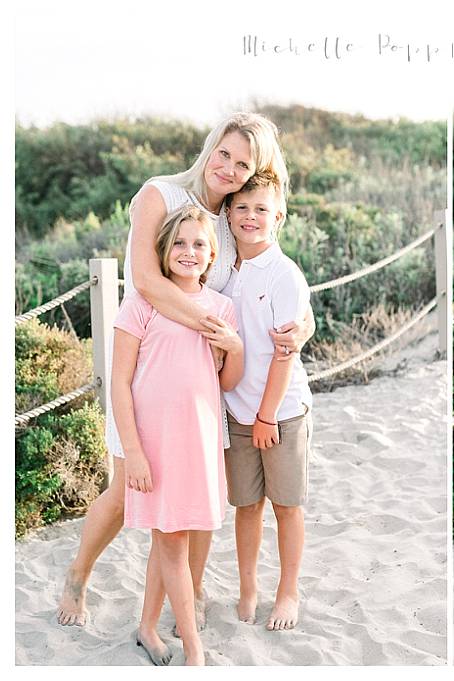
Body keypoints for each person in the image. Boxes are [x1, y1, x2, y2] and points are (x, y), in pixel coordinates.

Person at [57, 112, 315, 628]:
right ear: (209, 146)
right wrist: (214, 329)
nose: (229, 168)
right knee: (124, 488)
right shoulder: (159, 195)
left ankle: (190, 593)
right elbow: (148, 283)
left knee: (200, 493)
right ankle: (78, 576)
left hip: (205, 386)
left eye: (244, 164)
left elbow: (268, 278)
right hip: (149, 374)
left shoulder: (233, 218)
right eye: (224, 153)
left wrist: (303, 323)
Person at [111, 206, 243, 665]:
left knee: (171, 535)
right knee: (172, 542)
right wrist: (134, 452)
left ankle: (148, 626)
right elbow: (120, 384)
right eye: (180, 243)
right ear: (164, 251)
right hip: (155, 444)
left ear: (212, 256)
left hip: (199, 442)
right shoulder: (142, 303)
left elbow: (226, 381)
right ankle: (194, 649)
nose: (189, 252)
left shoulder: (222, 309)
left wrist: (233, 346)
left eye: (199, 245)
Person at [221, 171, 313, 631]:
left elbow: (284, 353)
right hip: (236, 410)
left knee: (286, 505)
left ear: (279, 216)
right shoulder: (222, 269)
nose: (251, 217)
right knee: (247, 505)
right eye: (241, 208)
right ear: (229, 214)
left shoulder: (284, 275)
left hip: (280, 412)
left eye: (261, 210)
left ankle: (288, 592)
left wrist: (266, 415)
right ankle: (248, 586)